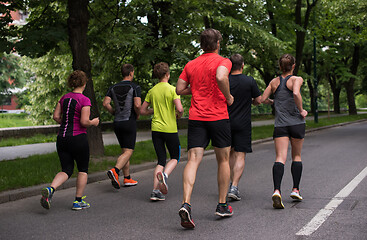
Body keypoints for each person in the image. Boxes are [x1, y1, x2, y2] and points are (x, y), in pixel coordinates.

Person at [176, 28, 234, 229]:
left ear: (201, 45)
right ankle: (222, 204)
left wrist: (198, 88)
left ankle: (186, 203)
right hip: (218, 117)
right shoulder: (224, 61)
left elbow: (179, 89)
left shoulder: (191, 64)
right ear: (218, 44)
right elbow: (220, 77)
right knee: (224, 160)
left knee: (192, 160)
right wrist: (227, 97)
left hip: (197, 118)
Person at [40, 70, 99, 211]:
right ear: (84, 83)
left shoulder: (64, 98)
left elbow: (56, 116)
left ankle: (51, 188)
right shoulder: (85, 100)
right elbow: (84, 121)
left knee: (66, 169)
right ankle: (77, 201)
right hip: (78, 138)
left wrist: (66, 122)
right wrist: (93, 122)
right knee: (83, 169)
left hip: (62, 138)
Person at [260, 54, 308, 209]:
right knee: (297, 156)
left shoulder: (274, 82)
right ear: (293, 66)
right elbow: (295, 93)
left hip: (280, 125)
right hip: (296, 123)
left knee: (280, 157)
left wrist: (274, 101)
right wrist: (301, 110)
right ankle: (295, 189)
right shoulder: (297, 79)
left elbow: (262, 99)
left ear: (280, 66)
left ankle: (277, 190)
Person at [227, 53, 272, 201]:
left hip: (225, 122)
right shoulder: (249, 81)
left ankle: (229, 185)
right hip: (243, 122)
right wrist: (252, 101)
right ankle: (234, 186)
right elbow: (258, 100)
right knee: (240, 155)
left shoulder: (224, 80)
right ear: (243, 65)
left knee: (228, 155)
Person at [140, 62, 184, 201]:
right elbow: (180, 109)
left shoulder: (152, 91)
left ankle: (155, 191)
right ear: (167, 74)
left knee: (160, 159)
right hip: (170, 129)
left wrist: (155, 110)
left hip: (156, 129)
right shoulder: (172, 90)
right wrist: (178, 114)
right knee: (175, 157)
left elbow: (142, 111)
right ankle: (164, 176)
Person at [103, 64, 140, 189]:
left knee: (125, 151)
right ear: (131, 73)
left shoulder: (112, 87)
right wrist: (138, 114)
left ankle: (127, 178)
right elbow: (138, 105)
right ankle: (115, 170)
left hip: (117, 122)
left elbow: (105, 103)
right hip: (129, 121)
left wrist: (113, 112)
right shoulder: (134, 87)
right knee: (129, 151)